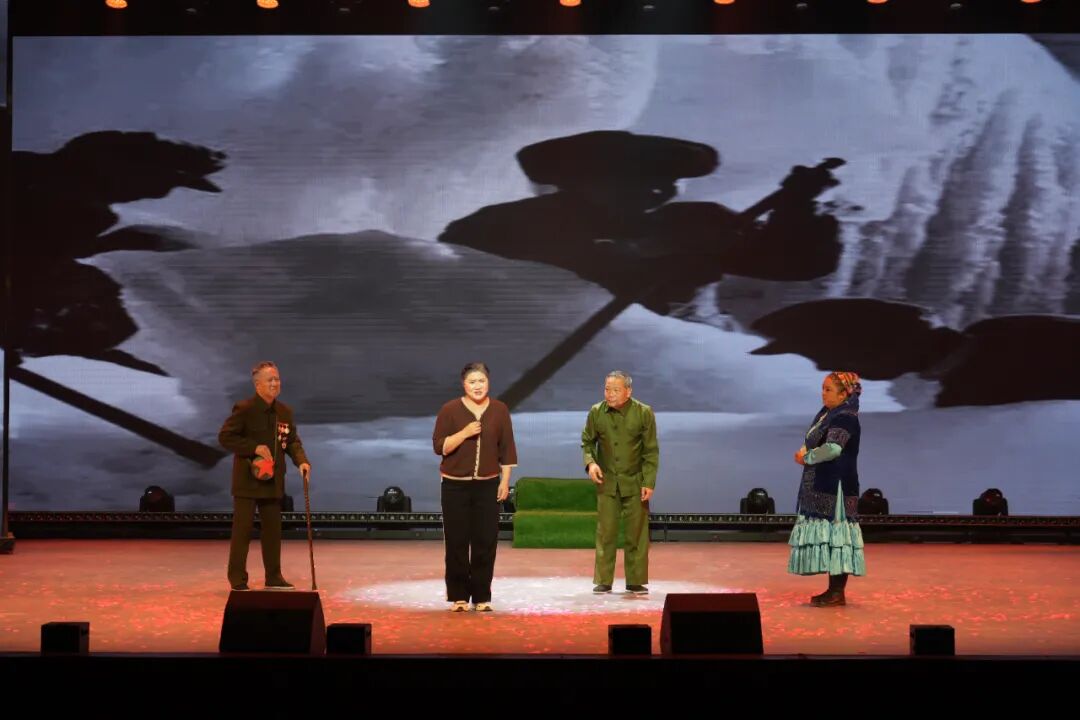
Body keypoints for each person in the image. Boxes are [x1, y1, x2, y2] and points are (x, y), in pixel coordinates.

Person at [219, 361, 311, 591]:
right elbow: (226, 437)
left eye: (277, 379)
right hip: (247, 481)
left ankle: (274, 577)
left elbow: (292, 442)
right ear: (257, 384)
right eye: (270, 380)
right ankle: (238, 579)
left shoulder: (284, 412)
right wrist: (254, 447)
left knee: (272, 532)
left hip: (273, 481)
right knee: (242, 532)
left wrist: (302, 461)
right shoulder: (245, 409)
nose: (275, 383)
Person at [432, 362, 517, 612]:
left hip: (488, 485)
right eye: (472, 382)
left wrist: (505, 481)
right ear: (463, 384)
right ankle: (458, 596)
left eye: (481, 381)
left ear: (488, 382)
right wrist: (465, 433)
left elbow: (507, 448)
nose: (477, 386)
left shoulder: (500, 410)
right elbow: (439, 446)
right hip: (454, 485)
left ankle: (481, 596)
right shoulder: (449, 410)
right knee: (457, 541)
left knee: (485, 541)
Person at [788, 371, 866, 606]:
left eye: (828, 389)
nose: (823, 393)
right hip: (824, 482)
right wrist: (805, 451)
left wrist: (807, 457)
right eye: (823, 388)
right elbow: (816, 440)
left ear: (843, 394)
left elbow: (833, 448)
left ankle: (836, 591)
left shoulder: (845, 417)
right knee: (832, 536)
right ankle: (834, 591)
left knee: (838, 536)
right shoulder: (828, 414)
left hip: (837, 485)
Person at [581, 370, 658, 595]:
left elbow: (651, 451)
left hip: (635, 482)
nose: (610, 394)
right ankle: (603, 580)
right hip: (607, 482)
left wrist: (648, 481)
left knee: (636, 534)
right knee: (606, 533)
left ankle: (635, 580)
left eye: (616, 390)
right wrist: (591, 463)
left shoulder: (644, 412)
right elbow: (587, 442)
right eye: (607, 389)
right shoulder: (596, 412)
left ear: (628, 391)